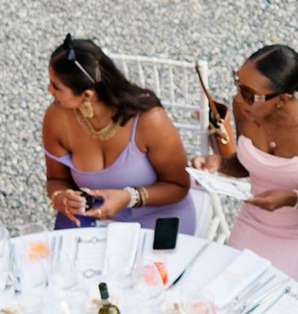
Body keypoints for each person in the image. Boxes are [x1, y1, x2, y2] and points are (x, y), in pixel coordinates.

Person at [205, 45, 298, 290]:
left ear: (282, 99)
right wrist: (218, 163)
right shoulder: (245, 109)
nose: (240, 99)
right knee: (223, 293)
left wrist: (292, 200)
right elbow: (246, 165)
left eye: (250, 94)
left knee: (275, 303)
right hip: (255, 224)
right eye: (238, 85)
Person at [41, 36, 194, 238]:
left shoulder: (149, 120)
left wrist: (129, 197)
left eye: (56, 86)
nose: (49, 90)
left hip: (157, 219)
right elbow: (56, 179)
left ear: (87, 95)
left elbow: (179, 186)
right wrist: (61, 198)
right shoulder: (57, 117)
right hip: (92, 221)